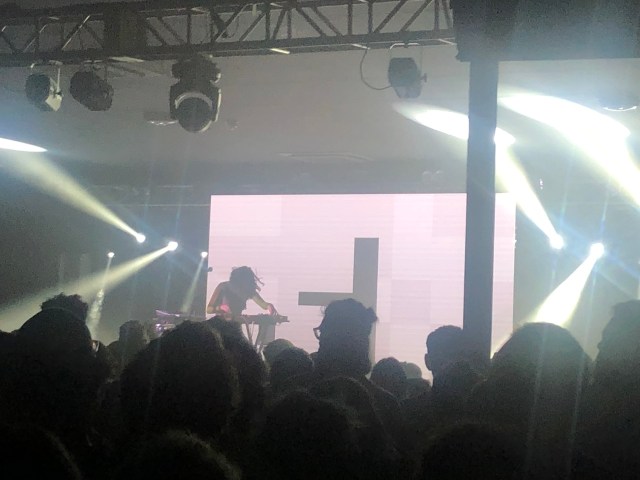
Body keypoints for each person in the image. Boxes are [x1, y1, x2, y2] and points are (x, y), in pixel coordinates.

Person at [207, 267, 277, 317]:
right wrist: (220, 307)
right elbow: (208, 309)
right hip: (220, 325)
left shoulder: (248, 290)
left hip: (235, 325)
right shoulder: (223, 286)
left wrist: (269, 306)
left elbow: (262, 304)